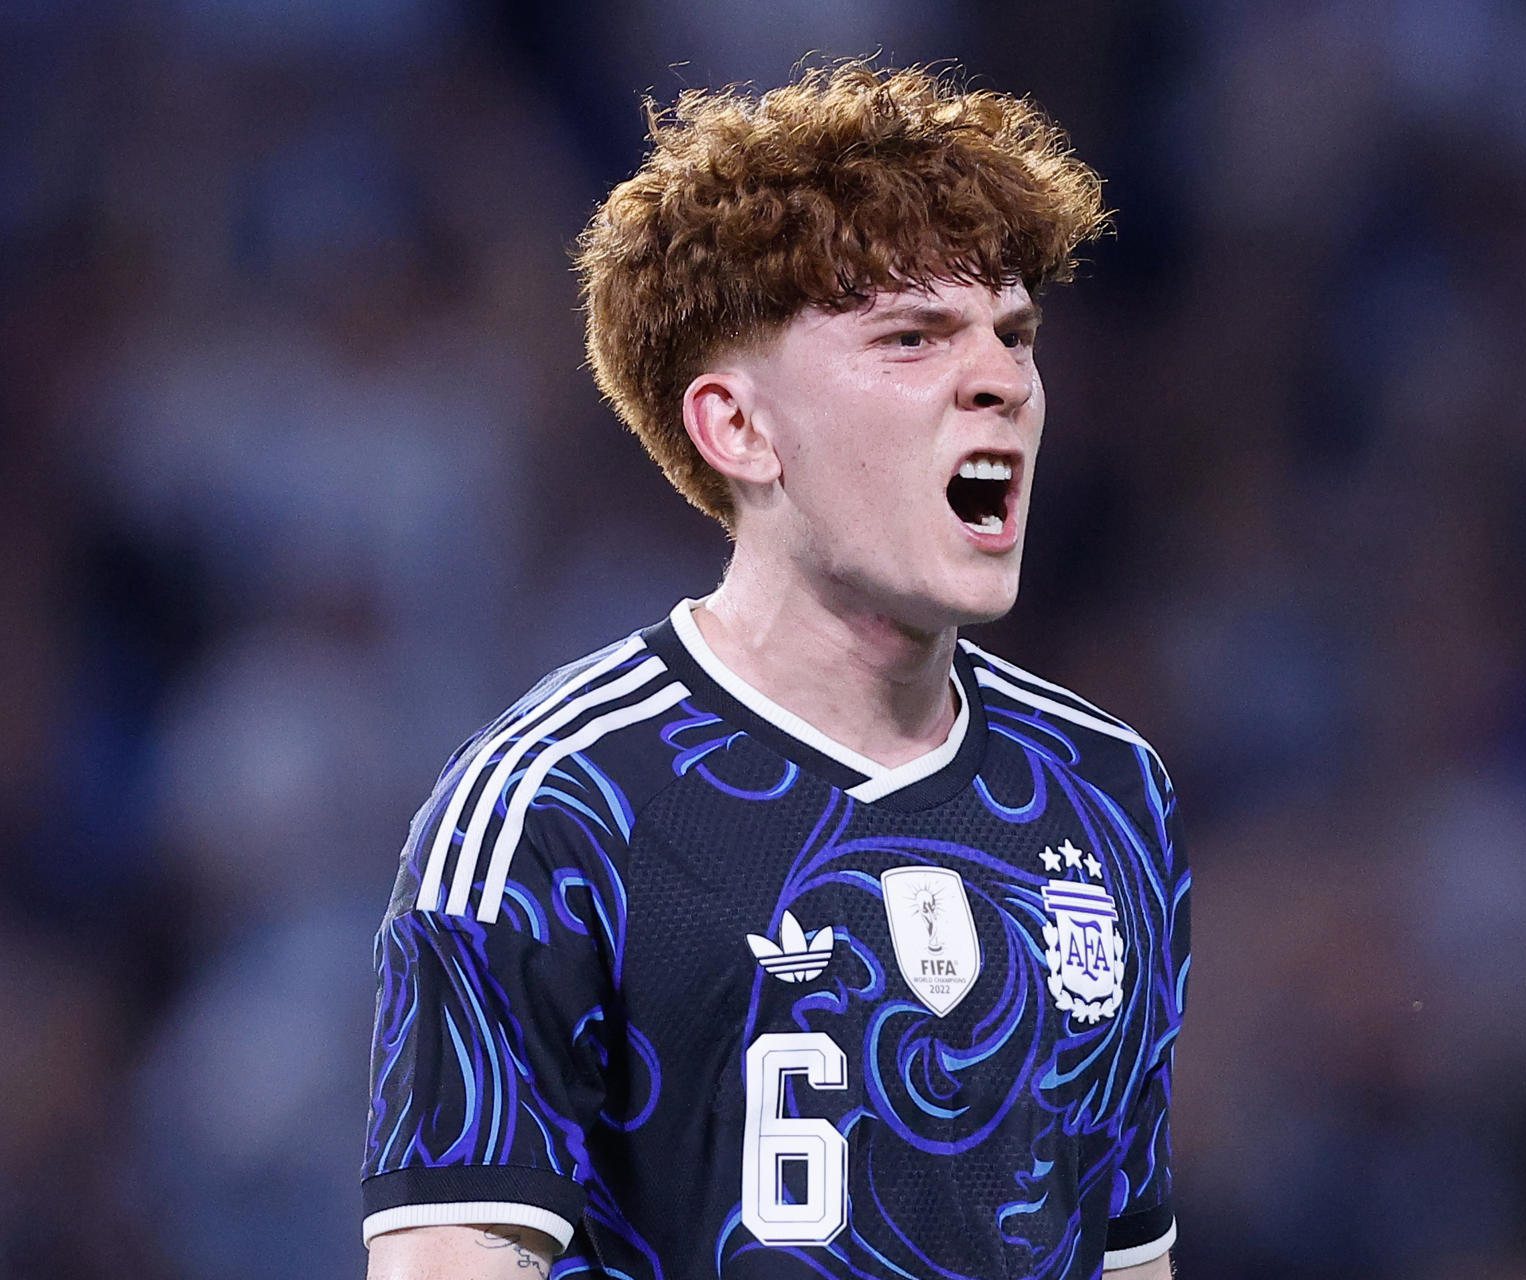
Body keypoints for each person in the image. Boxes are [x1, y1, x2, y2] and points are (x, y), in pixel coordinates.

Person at [362, 63, 1190, 1280]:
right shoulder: (557, 806)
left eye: (1014, 335)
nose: (1004, 380)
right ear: (739, 427)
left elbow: (1126, 1258)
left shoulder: (1109, 791)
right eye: (912, 337)